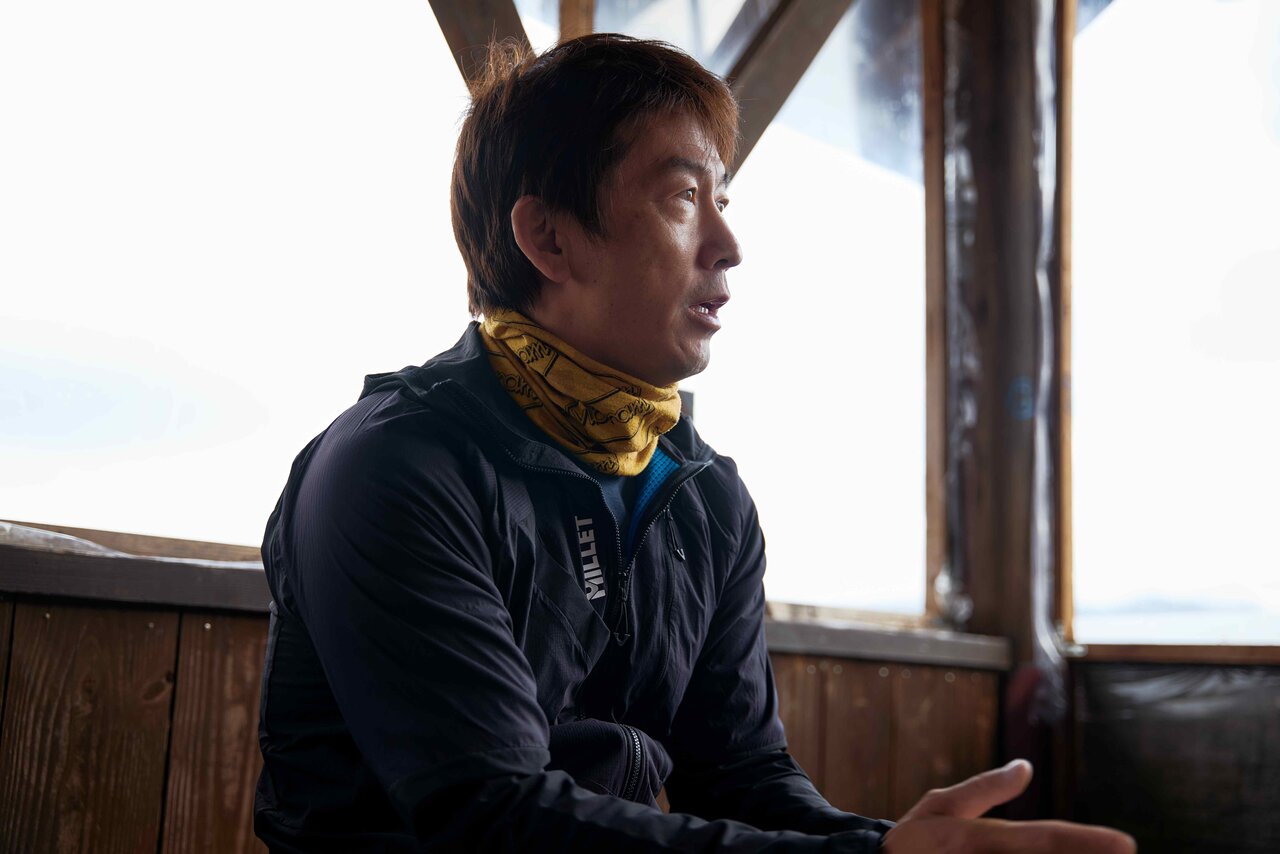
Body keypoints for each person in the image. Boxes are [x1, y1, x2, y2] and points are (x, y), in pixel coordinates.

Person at [254, 33, 1135, 853]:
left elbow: (743, 777)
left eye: (723, 200)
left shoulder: (705, 495)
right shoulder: (396, 467)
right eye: (682, 197)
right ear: (549, 237)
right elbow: (492, 814)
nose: (728, 244)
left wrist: (879, 842)